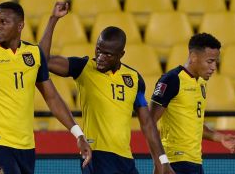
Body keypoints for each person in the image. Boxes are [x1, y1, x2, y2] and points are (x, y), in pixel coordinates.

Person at [0, 1, 91, 174]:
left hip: (26, 147)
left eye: (4, 22)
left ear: (20, 26)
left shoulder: (34, 54)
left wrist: (79, 135)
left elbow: (52, 98)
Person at [44, 24, 175, 173]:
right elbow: (44, 60)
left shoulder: (134, 79)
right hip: (96, 155)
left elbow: (147, 124)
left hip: (125, 159)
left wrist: (163, 161)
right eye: (98, 50)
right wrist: (53, 20)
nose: (100, 57)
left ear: (121, 54)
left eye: (108, 54)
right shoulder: (83, 67)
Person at [150, 33, 235, 174]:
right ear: (193, 57)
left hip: (195, 162)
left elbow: (193, 123)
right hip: (175, 162)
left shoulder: (201, 83)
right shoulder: (172, 80)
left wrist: (219, 137)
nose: (214, 67)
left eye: (216, 62)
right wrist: (162, 163)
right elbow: (149, 123)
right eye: (210, 61)